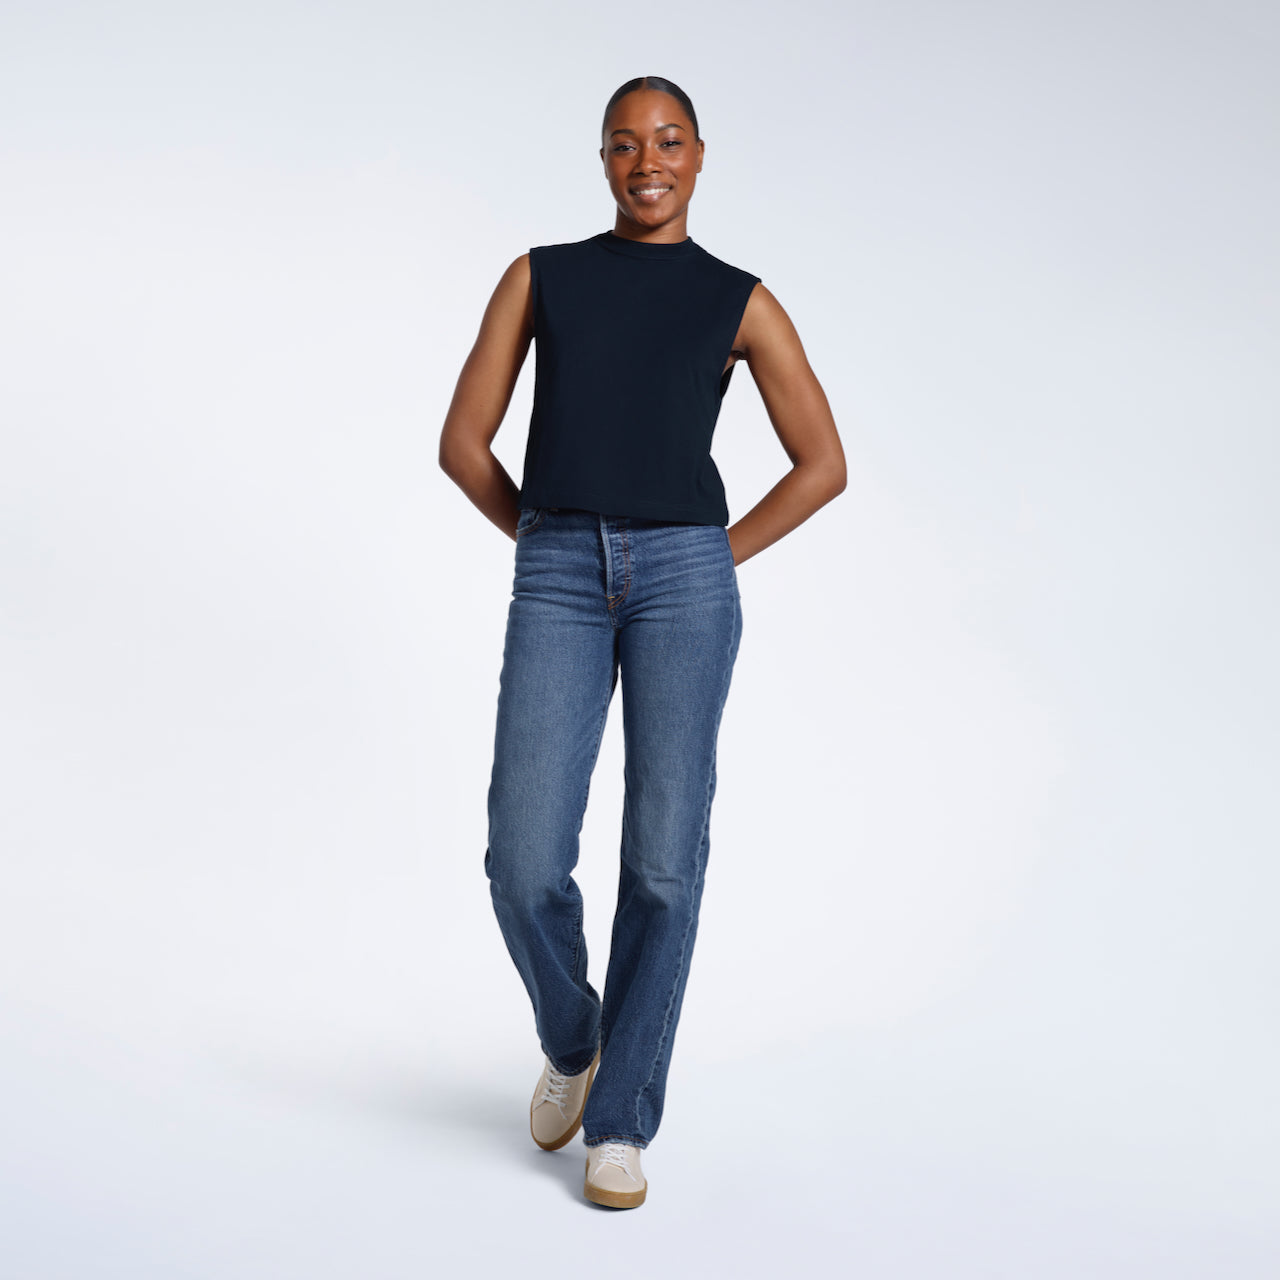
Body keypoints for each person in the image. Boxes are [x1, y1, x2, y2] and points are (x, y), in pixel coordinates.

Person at [439, 75, 846, 1209]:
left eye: (667, 141)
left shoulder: (739, 299)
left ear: (701, 155)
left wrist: (714, 558)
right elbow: (462, 442)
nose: (646, 160)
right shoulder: (541, 276)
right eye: (624, 144)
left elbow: (824, 463)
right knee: (521, 856)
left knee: (664, 862)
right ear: (603, 161)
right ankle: (576, 1038)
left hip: (684, 578)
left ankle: (619, 1120)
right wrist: (542, 533)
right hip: (559, 569)